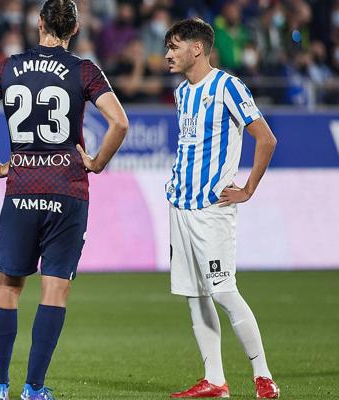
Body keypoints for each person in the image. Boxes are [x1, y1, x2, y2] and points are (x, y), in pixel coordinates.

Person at [0, 1, 128, 399]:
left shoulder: (8, 67)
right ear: (75, 29)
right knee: (55, 289)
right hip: (67, 188)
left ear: (39, 23)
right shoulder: (83, 69)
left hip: (21, 188)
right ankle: (33, 388)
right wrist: (98, 162)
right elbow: (119, 121)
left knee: (8, 286)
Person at [163, 18, 280, 399]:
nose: (168, 54)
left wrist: (247, 189)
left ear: (197, 48)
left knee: (224, 292)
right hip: (179, 205)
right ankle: (214, 379)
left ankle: (263, 377)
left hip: (212, 210)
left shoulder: (228, 86)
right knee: (194, 295)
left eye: (175, 46)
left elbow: (265, 138)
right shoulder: (182, 93)